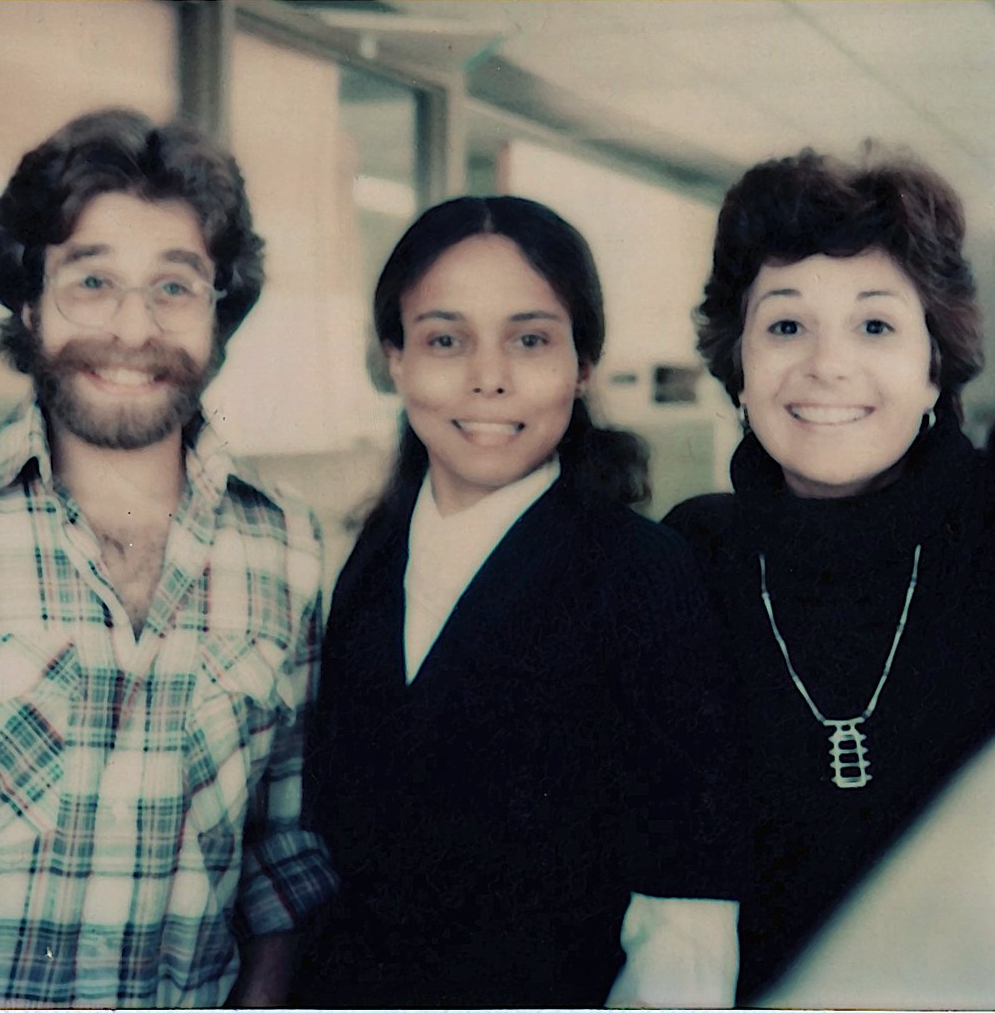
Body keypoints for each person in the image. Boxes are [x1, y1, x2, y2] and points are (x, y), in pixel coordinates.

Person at [0, 109, 336, 1008]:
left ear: (221, 308)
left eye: (174, 287)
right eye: (91, 280)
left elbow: (280, 861)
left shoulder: (288, 552)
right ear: (29, 299)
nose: (132, 328)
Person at [298, 195, 744, 1008]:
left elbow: (684, 907)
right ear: (394, 359)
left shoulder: (641, 575)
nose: (489, 376)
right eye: (444, 339)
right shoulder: (371, 558)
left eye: (530, 339)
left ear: (582, 365)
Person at [664, 150, 995, 1004]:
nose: (827, 366)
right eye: (787, 326)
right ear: (739, 363)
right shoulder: (691, 558)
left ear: (935, 362)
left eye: (875, 326)